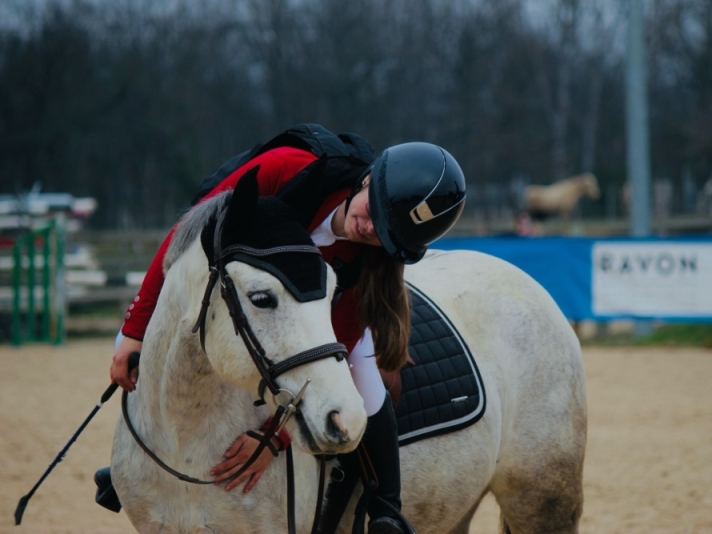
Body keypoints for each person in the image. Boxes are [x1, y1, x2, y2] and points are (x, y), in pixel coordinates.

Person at [108, 125, 467, 534]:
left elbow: (335, 339)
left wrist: (274, 437)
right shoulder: (284, 169)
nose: (369, 230)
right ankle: (140, 467)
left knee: (365, 388)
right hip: (249, 303)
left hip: (325, 322)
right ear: (366, 180)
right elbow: (184, 238)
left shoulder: (372, 257)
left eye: (385, 235)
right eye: (373, 214)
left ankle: (386, 507)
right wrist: (132, 331)